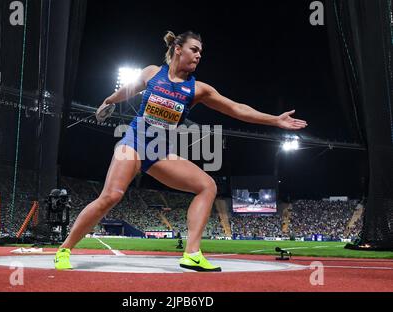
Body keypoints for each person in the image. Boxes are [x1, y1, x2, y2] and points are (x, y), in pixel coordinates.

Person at [54, 30, 308, 271]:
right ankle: (64, 250)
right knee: (111, 196)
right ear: (178, 50)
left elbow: (236, 108)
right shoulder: (152, 73)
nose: (199, 55)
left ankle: (192, 254)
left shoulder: (198, 89)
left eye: (201, 52)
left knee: (207, 186)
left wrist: (274, 120)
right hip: (133, 141)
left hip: (159, 152)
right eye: (194, 50)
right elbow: (127, 90)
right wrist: (109, 100)